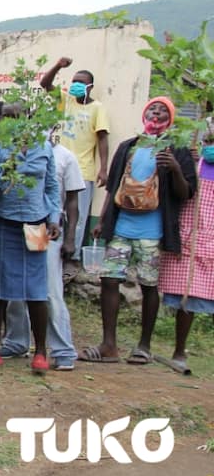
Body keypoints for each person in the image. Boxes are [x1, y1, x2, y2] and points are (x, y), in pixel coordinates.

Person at [80, 97, 197, 363]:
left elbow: (187, 193)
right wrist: (102, 221)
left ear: (171, 118)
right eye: (152, 109)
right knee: (109, 280)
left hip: (152, 233)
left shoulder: (176, 149)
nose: (156, 113)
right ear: (145, 114)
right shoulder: (128, 146)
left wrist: (176, 168)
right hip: (121, 227)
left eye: (163, 110)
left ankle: (143, 346)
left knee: (148, 286)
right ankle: (109, 345)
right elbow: (113, 187)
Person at [0, 128, 62, 375]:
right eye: (8, 118)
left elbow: (52, 187)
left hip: (37, 224)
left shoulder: (43, 146)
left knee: (36, 289)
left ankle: (41, 352)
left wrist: (54, 218)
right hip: (3, 223)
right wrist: (7, 171)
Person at [0, 128, 82, 371]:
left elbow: (72, 201)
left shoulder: (65, 157)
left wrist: (70, 238)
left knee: (49, 291)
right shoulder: (15, 153)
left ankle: (62, 349)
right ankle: (16, 341)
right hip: (19, 225)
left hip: (45, 227)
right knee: (16, 287)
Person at [40, 57, 110, 274]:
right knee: (53, 210)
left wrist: (103, 168)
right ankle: (47, 250)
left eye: (81, 82)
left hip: (83, 169)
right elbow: (45, 84)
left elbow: (102, 138)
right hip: (58, 167)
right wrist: (58, 66)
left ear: (90, 86)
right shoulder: (66, 101)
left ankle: (72, 257)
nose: (76, 85)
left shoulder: (97, 108)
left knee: (76, 215)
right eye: (74, 81)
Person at [158, 118, 214, 370]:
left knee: (200, 293)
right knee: (185, 293)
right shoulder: (195, 160)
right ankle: (179, 349)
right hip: (190, 233)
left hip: (210, 236)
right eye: (209, 141)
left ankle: (187, 350)